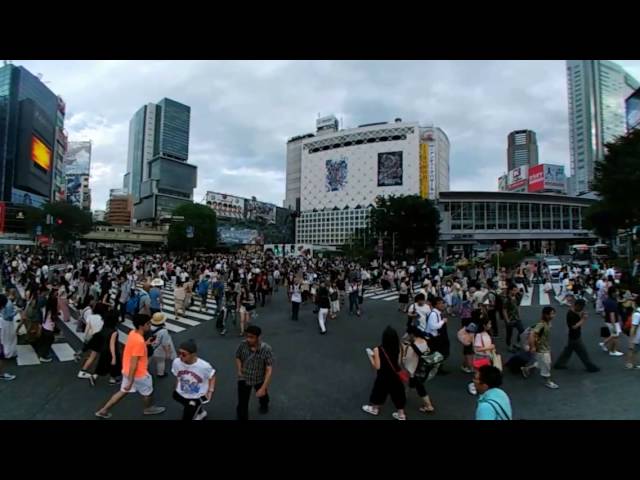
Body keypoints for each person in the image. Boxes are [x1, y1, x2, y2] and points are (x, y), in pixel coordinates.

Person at [95, 314, 166, 419]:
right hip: (139, 373)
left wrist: (145, 344)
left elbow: (134, 350)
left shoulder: (133, 333)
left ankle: (103, 410)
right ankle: (148, 408)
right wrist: (131, 380)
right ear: (142, 326)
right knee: (148, 392)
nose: (150, 325)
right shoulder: (139, 341)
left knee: (123, 391)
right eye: (148, 324)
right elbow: (134, 363)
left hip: (126, 370)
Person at [362, 326, 407, 420]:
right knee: (398, 394)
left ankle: (374, 409)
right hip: (395, 375)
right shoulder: (399, 347)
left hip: (383, 376)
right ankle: (401, 414)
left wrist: (371, 356)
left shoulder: (378, 349)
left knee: (379, 392)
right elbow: (398, 362)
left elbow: (377, 366)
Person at [172, 339, 216, 420]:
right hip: (181, 392)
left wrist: (210, 391)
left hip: (196, 396)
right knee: (176, 397)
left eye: (184, 354)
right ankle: (200, 412)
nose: (180, 356)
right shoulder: (176, 362)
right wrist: (176, 387)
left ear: (193, 354)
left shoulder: (204, 366)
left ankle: (197, 411)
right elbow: (177, 376)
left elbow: (212, 376)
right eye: (179, 353)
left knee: (187, 416)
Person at [236, 325, 273, 420]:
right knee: (242, 402)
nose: (248, 339)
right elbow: (238, 357)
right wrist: (239, 369)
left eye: (251, 337)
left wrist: (263, 387)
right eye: (247, 336)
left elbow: (269, 369)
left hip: (259, 378)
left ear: (258, 337)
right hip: (244, 377)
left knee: (263, 395)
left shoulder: (266, 349)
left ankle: (264, 405)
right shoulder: (242, 344)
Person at [553, 298, 599, 373]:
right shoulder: (571, 315)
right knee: (583, 353)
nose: (582, 309)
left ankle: (559, 364)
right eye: (581, 307)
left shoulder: (573, 311)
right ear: (577, 306)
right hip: (575, 337)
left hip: (573, 336)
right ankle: (590, 367)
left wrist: (581, 315)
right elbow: (574, 326)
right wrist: (583, 319)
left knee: (568, 351)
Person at [522, 306, 559, 389]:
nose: (554, 315)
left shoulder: (547, 323)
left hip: (544, 347)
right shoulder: (541, 324)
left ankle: (526, 369)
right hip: (541, 349)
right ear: (546, 315)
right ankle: (548, 381)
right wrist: (533, 347)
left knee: (541, 363)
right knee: (546, 364)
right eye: (552, 314)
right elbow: (532, 335)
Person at [402, 325, 435, 413]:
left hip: (415, 370)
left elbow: (408, 360)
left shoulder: (412, 346)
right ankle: (404, 395)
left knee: (420, 388)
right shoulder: (424, 341)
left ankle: (429, 406)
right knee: (412, 384)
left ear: (412, 334)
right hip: (422, 368)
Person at [94, 310, 122, 385]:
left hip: (104, 349)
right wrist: (113, 356)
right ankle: (112, 379)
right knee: (115, 365)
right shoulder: (114, 331)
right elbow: (112, 344)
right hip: (112, 350)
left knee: (102, 364)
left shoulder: (104, 327)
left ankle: (94, 376)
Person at [149, 312, 176, 378]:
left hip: (150, 347)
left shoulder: (149, 327)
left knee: (148, 361)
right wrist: (168, 353)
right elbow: (165, 343)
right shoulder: (163, 331)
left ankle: (145, 372)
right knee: (160, 362)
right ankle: (160, 374)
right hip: (159, 349)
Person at [599, 286, 624, 356]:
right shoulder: (612, 302)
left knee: (614, 335)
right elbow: (612, 315)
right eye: (617, 291)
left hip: (609, 321)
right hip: (612, 321)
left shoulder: (610, 299)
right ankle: (613, 351)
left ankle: (604, 344)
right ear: (613, 293)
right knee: (615, 336)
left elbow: (605, 311)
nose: (618, 292)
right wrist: (614, 326)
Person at [502, 284, 524, 352]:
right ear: (510, 290)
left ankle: (517, 343)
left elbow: (517, 306)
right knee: (509, 333)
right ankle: (509, 346)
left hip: (516, 318)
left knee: (522, 331)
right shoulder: (506, 299)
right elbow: (504, 310)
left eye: (516, 290)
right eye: (514, 290)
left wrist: (519, 316)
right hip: (510, 319)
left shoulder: (516, 297)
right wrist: (507, 320)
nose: (516, 291)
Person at [624, 297, 640, 369]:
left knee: (633, 350)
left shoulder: (637, 313)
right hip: (637, 336)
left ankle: (631, 364)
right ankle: (630, 364)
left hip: (637, 336)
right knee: (633, 350)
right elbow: (633, 327)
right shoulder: (637, 314)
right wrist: (631, 340)